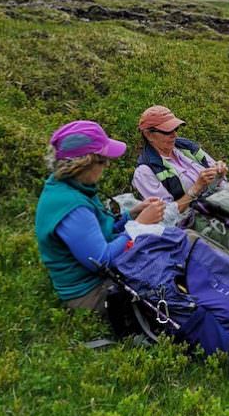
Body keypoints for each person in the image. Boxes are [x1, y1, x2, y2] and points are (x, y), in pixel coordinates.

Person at [34, 120, 168, 313]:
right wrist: (138, 226)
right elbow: (101, 261)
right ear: (84, 163)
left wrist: (131, 215)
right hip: (91, 292)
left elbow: (100, 230)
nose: (106, 165)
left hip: (102, 279)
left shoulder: (75, 186)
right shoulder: (70, 206)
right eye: (102, 160)